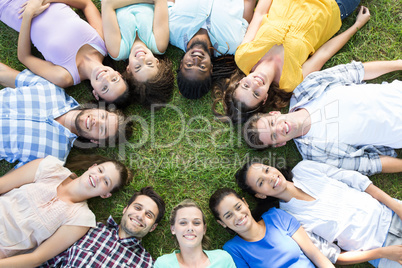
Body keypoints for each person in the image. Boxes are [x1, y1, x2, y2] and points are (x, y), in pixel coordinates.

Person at [213, 0, 370, 124]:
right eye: (256, 94)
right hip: (333, 6)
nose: (255, 84)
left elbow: (260, 13)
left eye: (246, 86)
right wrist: (356, 26)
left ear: (241, 81)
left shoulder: (243, 56)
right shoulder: (290, 82)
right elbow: (324, 53)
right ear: (265, 99)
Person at [244, 60, 402, 175]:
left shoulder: (307, 87)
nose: (278, 128)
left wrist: (398, 64)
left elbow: (356, 71)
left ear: (274, 113)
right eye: (273, 135)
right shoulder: (316, 156)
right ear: (280, 144)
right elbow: (369, 164)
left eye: (272, 123)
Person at [236, 160, 402, 267]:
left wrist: (396, 207)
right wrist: (383, 253)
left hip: (391, 212)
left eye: (266, 170)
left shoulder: (304, 168)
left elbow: (357, 181)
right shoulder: (288, 219)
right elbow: (335, 256)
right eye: (261, 182)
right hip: (381, 249)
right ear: (260, 195)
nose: (270, 177)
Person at [0, 154, 132, 266]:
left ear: (105, 194)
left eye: (106, 182)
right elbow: (2, 184)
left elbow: (37, 258)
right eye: (100, 170)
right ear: (92, 167)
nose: (98, 177)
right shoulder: (49, 168)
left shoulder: (80, 220)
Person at [0, 0, 130, 107]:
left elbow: (24, 57)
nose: (105, 78)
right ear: (117, 73)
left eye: (104, 88)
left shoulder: (65, 76)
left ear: (96, 94)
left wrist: (29, 13)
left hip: (11, 8)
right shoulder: (103, 42)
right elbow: (86, 4)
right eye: (114, 79)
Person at [0, 62, 131, 169]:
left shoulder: (54, 159)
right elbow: (5, 74)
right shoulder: (51, 88)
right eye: (103, 116)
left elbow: (8, 184)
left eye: (102, 129)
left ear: (95, 141)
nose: (96, 122)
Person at [39, 186, 165, 267]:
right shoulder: (87, 228)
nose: (140, 216)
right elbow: (47, 260)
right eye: (137, 208)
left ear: (153, 227)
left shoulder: (148, 265)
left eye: (149, 215)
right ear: (125, 209)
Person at [208, 188, 334, 267]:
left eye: (238, 207)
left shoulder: (276, 217)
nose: (238, 216)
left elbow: (315, 254)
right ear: (222, 223)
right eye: (228, 215)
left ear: (245, 203)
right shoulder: (233, 249)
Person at [169, 0, 256, 99]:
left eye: (189, 65)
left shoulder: (172, 30)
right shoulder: (232, 43)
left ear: (181, 64)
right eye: (202, 67)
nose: (197, 59)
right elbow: (248, 4)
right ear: (211, 68)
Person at [101, 0, 175, 109]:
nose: (141, 58)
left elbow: (107, 4)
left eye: (137, 67)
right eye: (149, 63)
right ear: (157, 61)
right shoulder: (159, 43)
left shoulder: (117, 50)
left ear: (128, 69)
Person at [155, 199, 236, 267]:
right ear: (173, 229)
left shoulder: (223, 259)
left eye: (196, 223)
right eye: (183, 223)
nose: (190, 228)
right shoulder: (163, 264)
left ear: (204, 229)